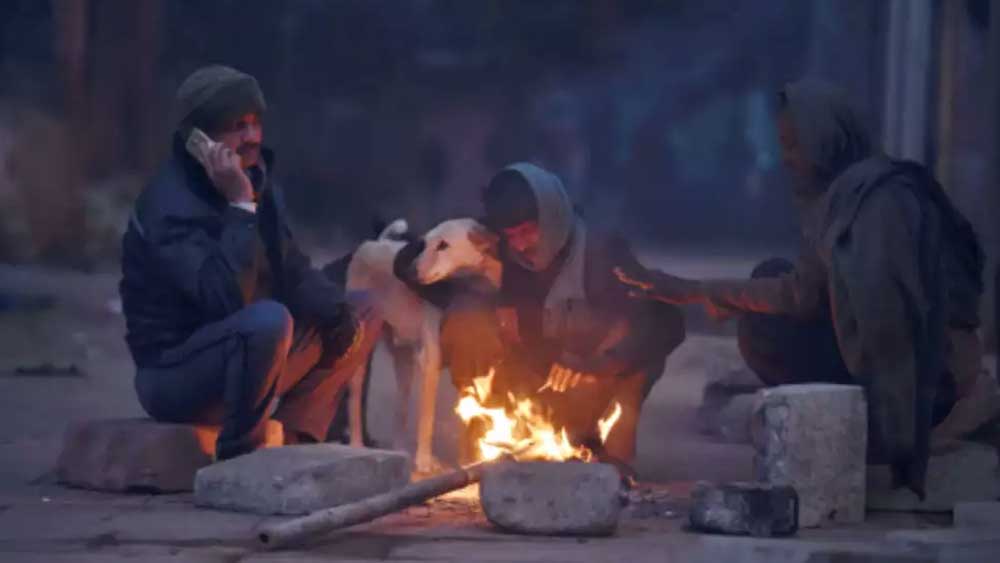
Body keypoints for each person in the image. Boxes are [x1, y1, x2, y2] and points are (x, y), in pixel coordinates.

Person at [617, 79, 997, 497]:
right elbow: (799, 293)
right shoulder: (851, 196)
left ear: (826, 138)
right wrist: (691, 290)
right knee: (768, 284)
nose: (787, 159)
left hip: (927, 386)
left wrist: (897, 422)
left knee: (766, 329)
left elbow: (889, 328)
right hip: (909, 372)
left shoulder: (874, 205)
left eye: (795, 145)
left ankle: (872, 430)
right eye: (783, 144)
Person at [119, 65, 378, 461]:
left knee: (363, 308)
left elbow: (289, 265)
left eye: (256, 123)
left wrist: (335, 314)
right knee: (268, 320)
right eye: (237, 126)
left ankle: (294, 446)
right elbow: (224, 299)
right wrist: (240, 205)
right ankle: (241, 456)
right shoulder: (169, 206)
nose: (253, 137)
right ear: (199, 140)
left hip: (249, 359)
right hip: (178, 377)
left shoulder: (254, 178)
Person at [440, 162, 685, 467]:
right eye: (511, 235)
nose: (519, 245)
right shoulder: (498, 247)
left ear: (552, 217)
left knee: (626, 333)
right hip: (529, 387)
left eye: (528, 232)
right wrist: (407, 262)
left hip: (593, 385)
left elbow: (666, 322)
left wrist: (596, 363)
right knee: (467, 317)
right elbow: (428, 272)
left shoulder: (602, 252)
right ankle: (484, 434)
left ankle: (604, 448)